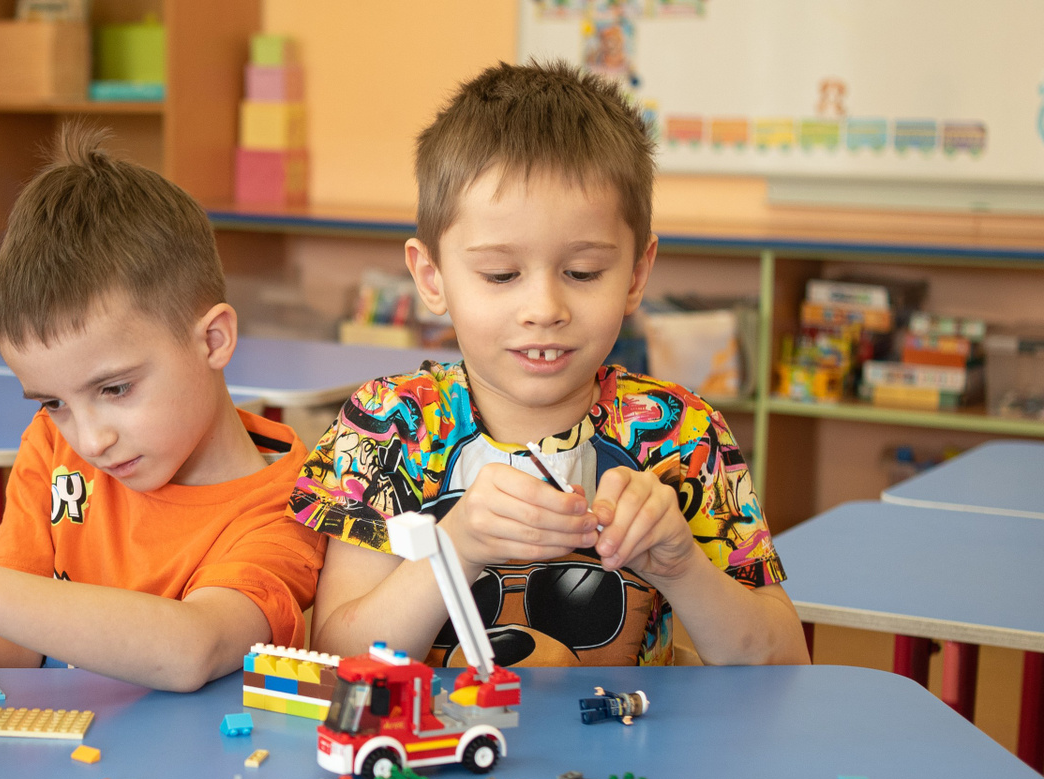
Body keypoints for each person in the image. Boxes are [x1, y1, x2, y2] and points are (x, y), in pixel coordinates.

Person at [291, 61, 807, 667]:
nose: (544, 309)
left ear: (636, 274)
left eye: (583, 273)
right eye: (500, 274)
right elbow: (336, 657)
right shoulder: (388, 426)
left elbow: (785, 667)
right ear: (432, 277)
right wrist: (456, 546)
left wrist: (682, 567)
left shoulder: (680, 435)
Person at [0, 127, 326, 690]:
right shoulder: (53, 445)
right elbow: (11, 638)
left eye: (115, 389)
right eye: (54, 402)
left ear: (213, 340)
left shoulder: (293, 506)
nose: (89, 440)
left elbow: (195, 647)